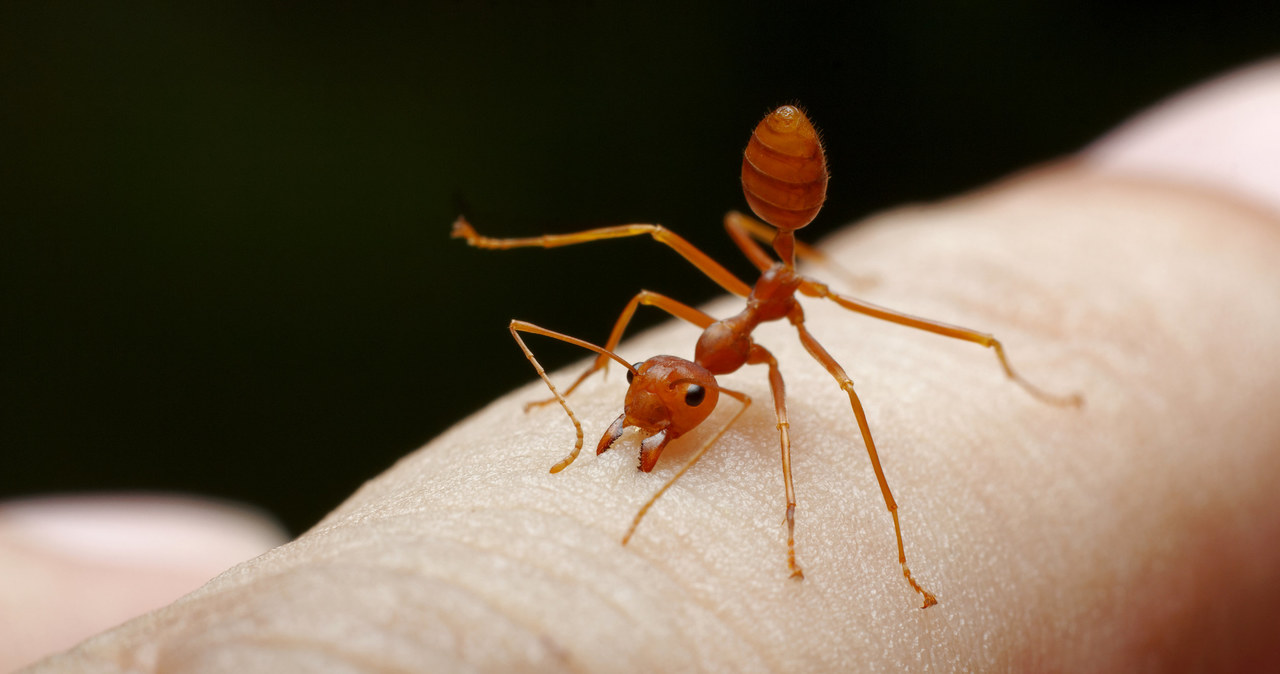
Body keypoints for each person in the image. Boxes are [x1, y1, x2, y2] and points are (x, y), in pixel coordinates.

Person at [13, 59, 1280, 672]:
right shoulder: (702, 336)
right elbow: (648, 320)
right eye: (661, 391)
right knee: (647, 272)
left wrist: (866, 548)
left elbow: (785, 376)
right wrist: (604, 395)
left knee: (839, 366)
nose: (660, 400)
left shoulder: (771, 356)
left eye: (661, 390)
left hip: (792, 264)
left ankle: (1014, 370)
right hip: (764, 254)